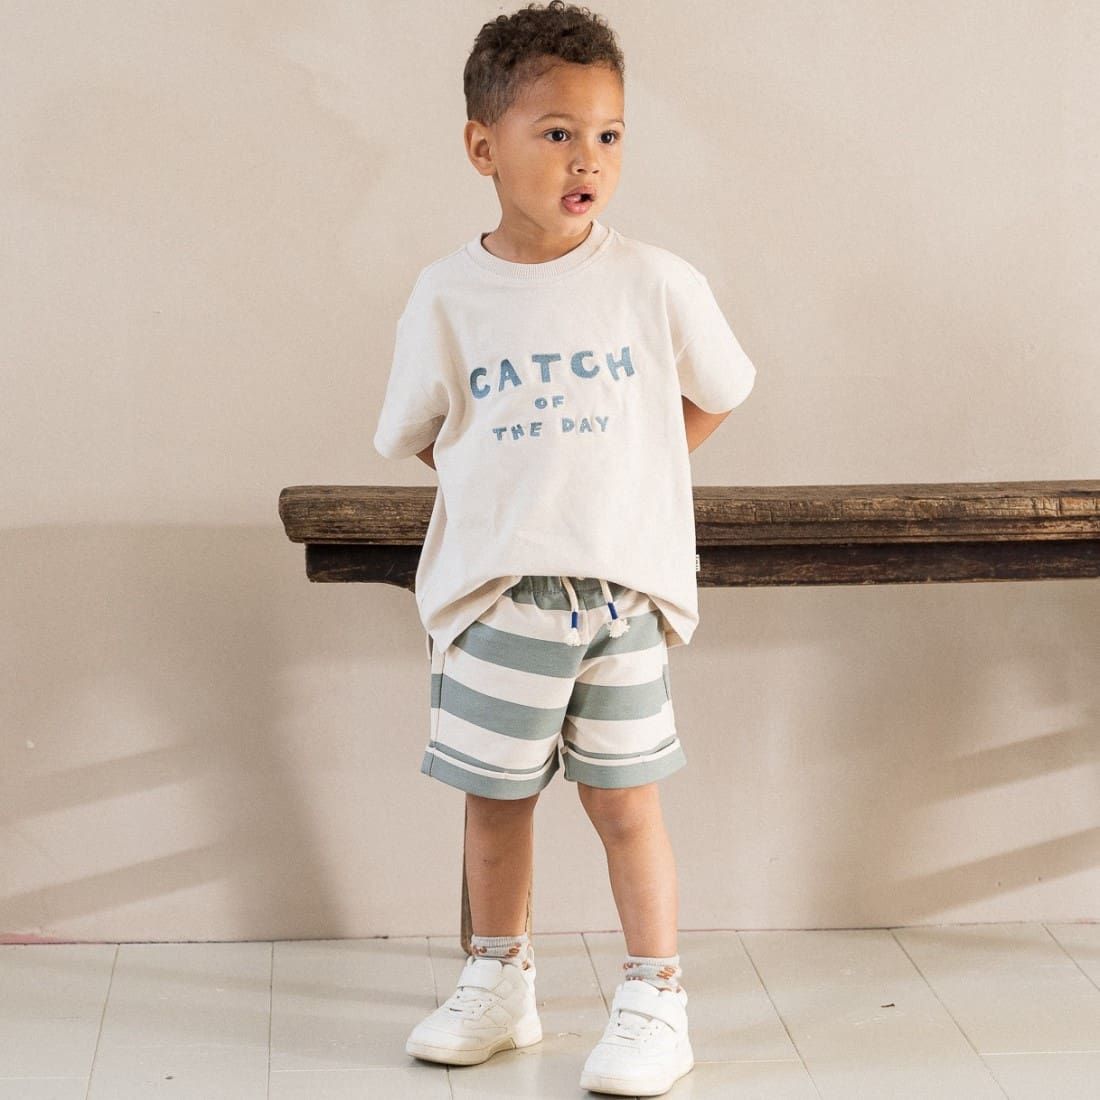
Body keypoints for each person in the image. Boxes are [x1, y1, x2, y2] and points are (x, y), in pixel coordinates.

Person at [372, 2, 756, 1094]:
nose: (587, 158)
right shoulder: (448, 294)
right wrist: (510, 495)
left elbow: (721, 390)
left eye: (608, 134)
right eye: (556, 132)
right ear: (482, 145)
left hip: (620, 599)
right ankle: (499, 981)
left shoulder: (655, 281)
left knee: (626, 802)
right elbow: (421, 432)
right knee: (495, 802)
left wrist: (633, 472)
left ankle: (655, 996)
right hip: (497, 597)